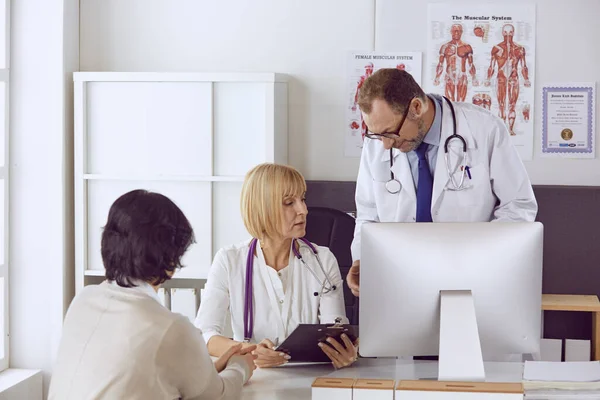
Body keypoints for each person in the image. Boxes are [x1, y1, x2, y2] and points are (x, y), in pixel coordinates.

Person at [49, 190, 256, 400]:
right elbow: (218, 396)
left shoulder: (83, 300)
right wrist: (240, 367)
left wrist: (207, 370)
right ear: (171, 257)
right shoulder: (172, 328)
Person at [347, 68, 537, 297]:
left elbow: (518, 206)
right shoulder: (378, 142)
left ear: (416, 108)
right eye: (377, 135)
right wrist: (362, 259)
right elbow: (368, 214)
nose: (385, 145)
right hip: (400, 279)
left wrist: (484, 256)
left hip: (471, 276)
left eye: (390, 133)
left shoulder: (484, 129)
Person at [195, 163, 358, 369]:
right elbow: (205, 335)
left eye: (303, 199)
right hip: (253, 378)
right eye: (289, 202)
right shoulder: (229, 260)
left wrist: (344, 352)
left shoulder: (322, 259)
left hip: (310, 378)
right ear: (263, 209)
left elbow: (335, 329)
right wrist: (251, 350)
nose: (304, 210)